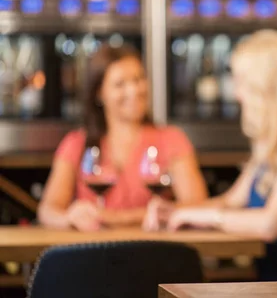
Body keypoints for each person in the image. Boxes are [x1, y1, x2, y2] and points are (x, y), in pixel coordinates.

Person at [144, 30, 277, 281]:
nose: (237, 94)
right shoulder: (272, 147)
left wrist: (197, 216)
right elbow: (229, 201)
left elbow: (271, 225)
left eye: (242, 82)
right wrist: (174, 211)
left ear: (267, 88)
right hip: (274, 287)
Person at [38, 43, 208, 231]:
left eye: (139, 79)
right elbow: (47, 210)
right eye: (120, 84)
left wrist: (112, 218)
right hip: (93, 254)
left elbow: (196, 207)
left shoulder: (171, 139)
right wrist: (69, 218)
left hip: (153, 254)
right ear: (99, 93)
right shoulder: (76, 143)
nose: (134, 90)